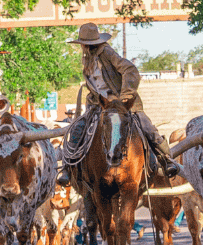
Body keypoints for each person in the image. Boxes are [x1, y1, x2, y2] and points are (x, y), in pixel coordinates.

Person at [65, 24, 180, 180]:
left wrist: (126, 97)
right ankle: (69, 167)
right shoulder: (87, 60)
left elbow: (130, 70)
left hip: (120, 104)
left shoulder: (106, 52)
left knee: (146, 127)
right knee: (78, 129)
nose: (84, 47)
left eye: (86, 44)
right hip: (99, 104)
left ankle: (166, 159)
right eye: (84, 44)